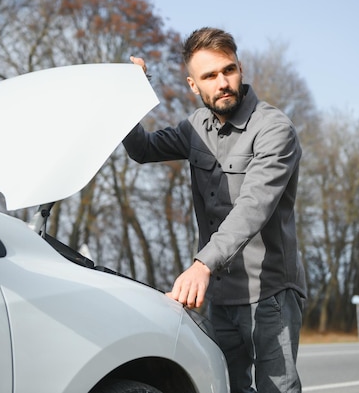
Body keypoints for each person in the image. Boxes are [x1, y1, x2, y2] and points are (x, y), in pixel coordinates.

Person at [123, 27, 307, 393]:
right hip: (221, 299)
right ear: (194, 85)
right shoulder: (195, 129)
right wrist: (129, 93)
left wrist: (201, 265)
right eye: (210, 76)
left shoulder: (274, 129)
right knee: (223, 388)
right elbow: (142, 149)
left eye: (229, 70)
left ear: (240, 68)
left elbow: (253, 207)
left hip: (269, 293)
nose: (223, 82)